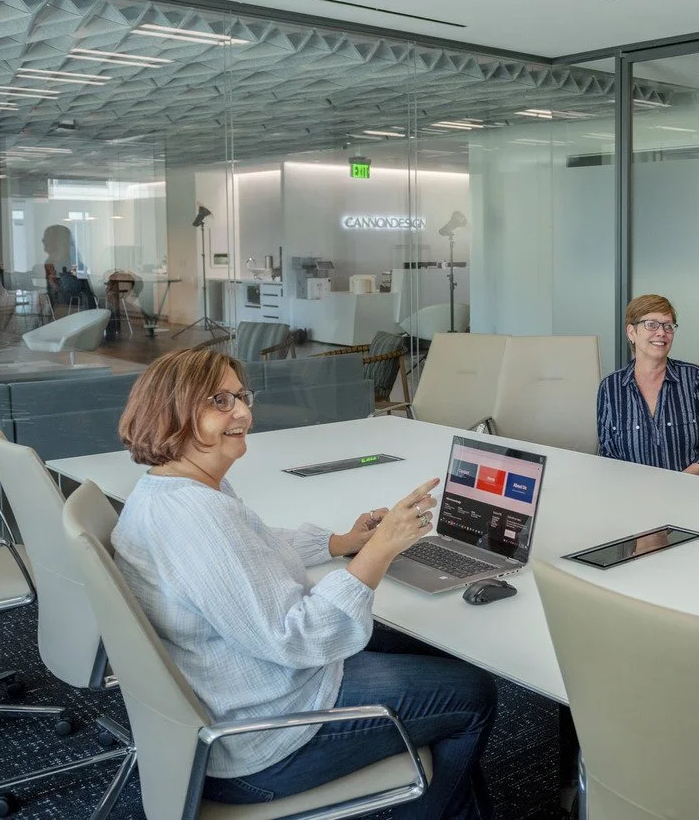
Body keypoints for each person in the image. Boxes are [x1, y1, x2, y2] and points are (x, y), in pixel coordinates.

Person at [113, 349, 495, 816]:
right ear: (172, 413)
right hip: (263, 745)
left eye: (241, 396)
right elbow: (299, 636)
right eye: (220, 401)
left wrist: (341, 542)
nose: (243, 412)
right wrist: (378, 551)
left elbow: (253, 546)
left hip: (239, 694)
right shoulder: (198, 519)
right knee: (475, 693)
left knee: (432, 650)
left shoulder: (171, 490)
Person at [596, 293, 699, 478]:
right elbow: (607, 457)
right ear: (631, 332)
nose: (661, 333)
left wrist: (676, 483)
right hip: (635, 495)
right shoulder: (610, 387)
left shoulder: (693, 377)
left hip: (692, 492)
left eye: (668, 326)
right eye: (651, 325)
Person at [40, 223, 98, 313]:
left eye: (46, 238)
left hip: (75, 314)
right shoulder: (50, 262)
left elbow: (72, 295)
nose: (43, 241)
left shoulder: (70, 264)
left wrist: (54, 284)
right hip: (60, 312)